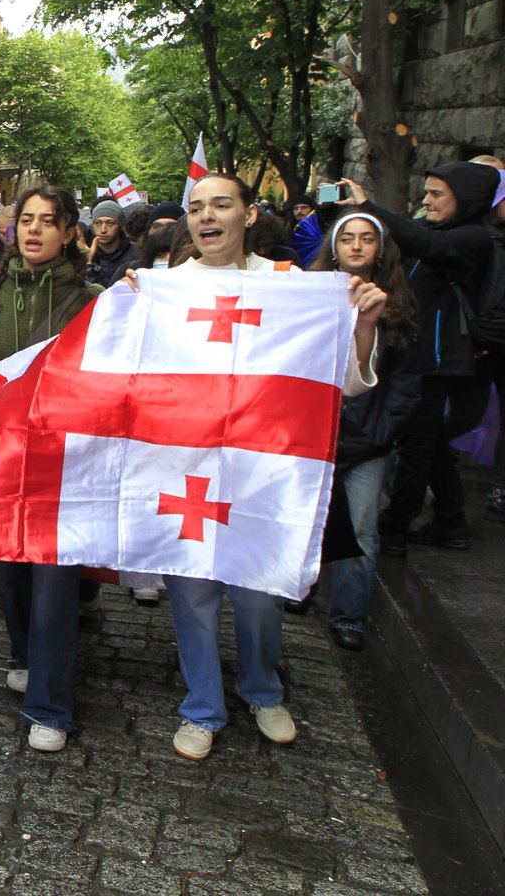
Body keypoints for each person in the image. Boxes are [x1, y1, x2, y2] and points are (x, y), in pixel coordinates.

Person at [145, 173, 384, 762]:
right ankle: (202, 706)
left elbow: (345, 385)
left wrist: (363, 325)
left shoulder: (293, 286)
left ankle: (262, 689)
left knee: (258, 593)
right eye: (196, 208)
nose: (207, 217)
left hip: (262, 470)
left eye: (221, 204)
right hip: (189, 468)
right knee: (193, 592)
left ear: (247, 216)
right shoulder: (162, 287)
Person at [0, 186, 102, 754]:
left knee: (55, 582)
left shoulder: (96, 301)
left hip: (67, 469)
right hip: (1, 461)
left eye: (48, 221)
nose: (33, 230)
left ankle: (50, 705)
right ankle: (22, 652)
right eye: (25, 221)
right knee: (10, 577)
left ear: (69, 233)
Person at [339, 163, 499, 554]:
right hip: (418, 353)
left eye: (436, 194)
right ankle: (451, 521)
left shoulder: (475, 238)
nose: (426, 201)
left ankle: (394, 530)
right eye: (425, 192)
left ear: (467, 199)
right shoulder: (438, 229)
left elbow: (424, 244)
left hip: (438, 360)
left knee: (415, 446)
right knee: (431, 446)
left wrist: (370, 206)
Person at [308, 213, 421, 651]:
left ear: (380, 249)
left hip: (369, 440)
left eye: (367, 239)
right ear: (334, 247)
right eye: (348, 238)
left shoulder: (399, 309)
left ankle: (349, 615)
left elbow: (406, 384)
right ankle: (304, 588)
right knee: (311, 518)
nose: (356, 247)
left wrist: (384, 430)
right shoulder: (311, 300)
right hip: (318, 433)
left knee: (361, 528)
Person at [86, 200, 130, 288]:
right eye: (98, 223)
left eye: (110, 223)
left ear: (120, 225)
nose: (103, 230)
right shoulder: (84, 254)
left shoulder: (135, 254)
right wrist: (88, 262)